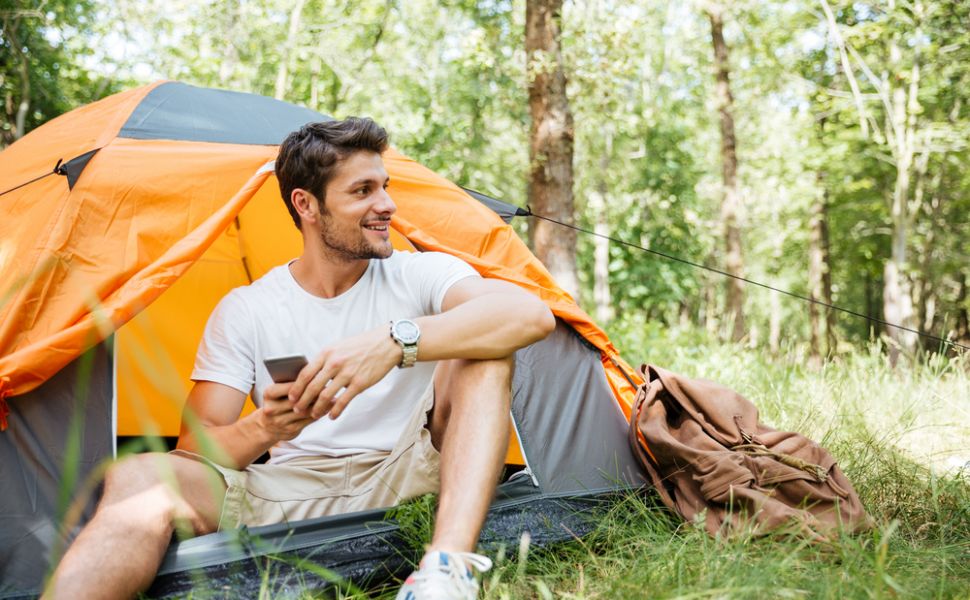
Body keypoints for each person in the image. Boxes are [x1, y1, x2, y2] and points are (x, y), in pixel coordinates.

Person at [44, 117, 555, 600]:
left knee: (485, 351)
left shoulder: (422, 273)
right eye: (362, 191)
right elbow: (193, 453)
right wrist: (266, 428)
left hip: (413, 471)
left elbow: (529, 315)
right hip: (291, 487)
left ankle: (446, 571)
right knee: (142, 477)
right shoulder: (248, 309)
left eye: (385, 185)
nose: (387, 205)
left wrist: (396, 342)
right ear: (306, 205)